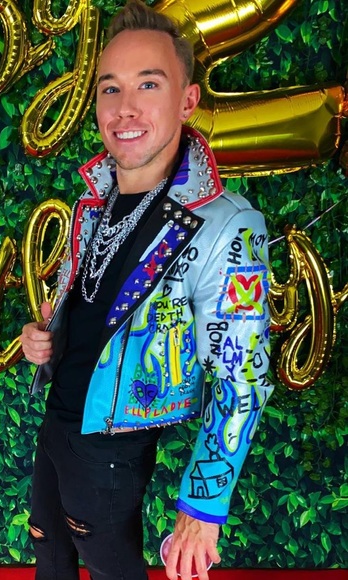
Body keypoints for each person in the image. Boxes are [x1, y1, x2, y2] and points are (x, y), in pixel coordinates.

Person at [19, 1, 273, 579]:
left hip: (110, 448)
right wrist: (47, 340)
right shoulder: (94, 200)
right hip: (58, 421)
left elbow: (244, 378)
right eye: (110, 88)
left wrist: (203, 508)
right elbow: (96, 314)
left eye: (148, 84)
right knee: (49, 554)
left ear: (188, 100)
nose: (125, 107)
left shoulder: (226, 225)